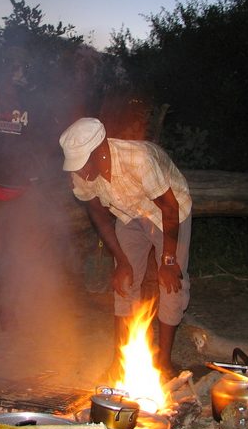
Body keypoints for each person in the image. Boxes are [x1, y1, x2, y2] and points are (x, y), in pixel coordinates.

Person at [58, 117, 192, 380]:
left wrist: (167, 260)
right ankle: (120, 361)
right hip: (128, 214)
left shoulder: (138, 158)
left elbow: (170, 207)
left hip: (169, 212)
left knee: (171, 283)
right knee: (124, 281)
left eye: (83, 164)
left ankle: (164, 363)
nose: (80, 173)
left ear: (100, 150)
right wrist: (122, 261)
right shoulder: (81, 172)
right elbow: (97, 214)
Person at [0, 45, 60, 330]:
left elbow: (43, 144)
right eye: (11, 70)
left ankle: (8, 313)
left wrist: (36, 175)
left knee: (15, 256)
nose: (16, 75)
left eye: (20, 70)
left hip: (21, 192)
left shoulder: (32, 106)